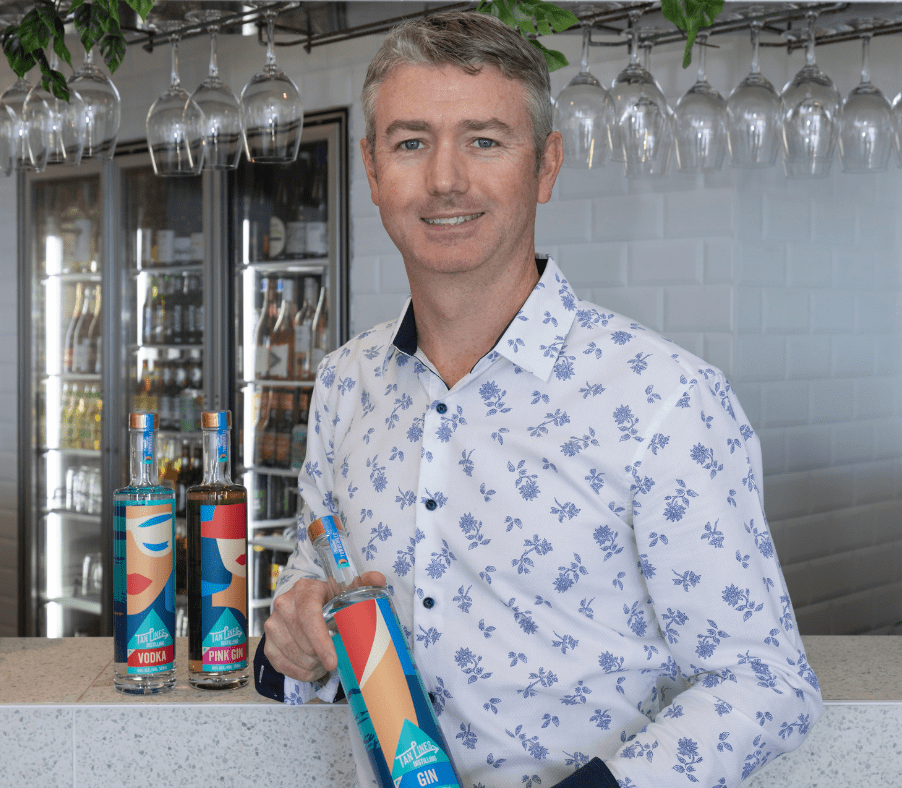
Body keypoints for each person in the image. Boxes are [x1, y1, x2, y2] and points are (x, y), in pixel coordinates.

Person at [255, 11, 822, 788]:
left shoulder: (668, 401)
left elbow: (767, 683)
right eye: (411, 142)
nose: (446, 177)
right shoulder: (344, 385)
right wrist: (291, 630)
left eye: (485, 140)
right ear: (373, 168)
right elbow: (317, 574)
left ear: (546, 167)